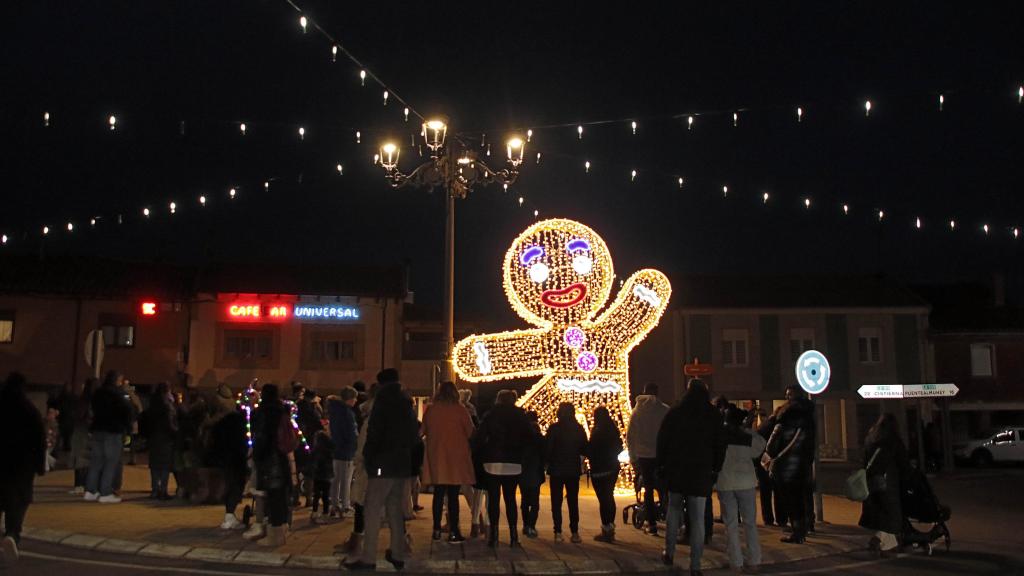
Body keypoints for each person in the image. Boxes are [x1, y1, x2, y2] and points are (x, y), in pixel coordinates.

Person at [344, 369, 419, 571]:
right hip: (402, 463)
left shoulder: (382, 403)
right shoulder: (406, 402)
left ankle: (368, 557)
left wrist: (369, 458)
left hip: (382, 463)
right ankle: (397, 553)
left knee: (372, 508)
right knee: (395, 508)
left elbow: (374, 433)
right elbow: (414, 435)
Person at [657, 378, 725, 575]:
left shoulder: (675, 412)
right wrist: (715, 469)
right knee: (697, 519)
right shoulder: (712, 414)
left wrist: (661, 465)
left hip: (676, 471)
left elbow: (663, 440)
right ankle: (695, 565)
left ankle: (669, 553)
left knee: (673, 511)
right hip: (701, 473)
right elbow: (720, 444)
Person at [0, 373, 47, 567]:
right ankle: (12, 534)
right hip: (21, 465)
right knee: (17, 502)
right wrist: (39, 465)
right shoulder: (29, 410)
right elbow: (39, 440)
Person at [475, 389, 532, 548]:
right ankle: (514, 536)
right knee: (510, 499)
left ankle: (493, 536)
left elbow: (480, 437)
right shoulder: (521, 416)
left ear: (498, 399)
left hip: (492, 461)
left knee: (493, 499)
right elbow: (529, 437)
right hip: (514, 462)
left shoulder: (490, 415)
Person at [421, 381, 475, 543]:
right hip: (456, 456)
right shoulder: (460, 410)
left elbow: (423, 431)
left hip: (436, 455)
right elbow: (470, 431)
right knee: (453, 495)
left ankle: (436, 529)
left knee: (438, 494)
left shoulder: (431, 410)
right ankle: (454, 530)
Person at [763, 385, 815, 544]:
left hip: (786, 466)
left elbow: (772, 443)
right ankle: (804, 527)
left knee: (792, 500)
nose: (787, 397)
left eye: (789, 395)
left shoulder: (784, 418)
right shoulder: (808, 418)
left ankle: (797, 532)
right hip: (803, 464)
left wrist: (769, 456)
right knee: (803, 497)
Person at [717, 406, 765, 573]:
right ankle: (754, 560)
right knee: (750, 523)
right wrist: (747, 430)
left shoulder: (719, 436)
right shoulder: (747, 437)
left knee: (730, 524)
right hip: (746, 482)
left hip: (726, 482)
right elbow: (760, 447)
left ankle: (735, 562)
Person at [859, 413, 910, 555]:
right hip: (888, 482)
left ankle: (882, 541)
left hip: (872, 481)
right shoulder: (892, 440)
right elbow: (903, 463)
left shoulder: (871, 438)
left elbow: (864, 458)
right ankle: (884, 544)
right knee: (892, 515)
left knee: (882, 514)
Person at [252, 384, 294, 547]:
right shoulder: (283, 410)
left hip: (270, 458)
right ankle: (282, 528)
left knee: (273, 496)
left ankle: (275, 535)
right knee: (281, 495)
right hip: (282, 456)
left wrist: (257, 455)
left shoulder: (265, 412)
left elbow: (262, 437)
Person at [626, 383, 670, 535]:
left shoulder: (637, 412)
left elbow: (630, 436)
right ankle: (670, 519)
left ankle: (651, 523)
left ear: (643, 392)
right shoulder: (665, 410)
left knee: (648, 489)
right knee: (665, 489)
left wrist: (633, 457)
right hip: (661, 455)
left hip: (643, 456)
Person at [85, 370, 132, 503]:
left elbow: (93, 409)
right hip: (113, 430)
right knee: (111, 462)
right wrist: (127, 427)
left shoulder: (98, 393)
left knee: (96, 461)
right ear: (117, 380)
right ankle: (105, 492)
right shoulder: (118, 394)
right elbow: (127, 410)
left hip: (98, 428)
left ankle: (90, 490)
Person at [340, 382, 376, 554]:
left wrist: (359, 458)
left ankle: (360, 543)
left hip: (371, 466)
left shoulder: (371, 418)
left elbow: (363, 444)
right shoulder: (384, 415)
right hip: (380, 467)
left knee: (363, 502)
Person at [545, 402, 588, 543]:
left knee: (556, 501)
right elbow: (584, 448)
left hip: (556, 469)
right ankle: (574, 532)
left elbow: (548, 449)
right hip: (572, 469)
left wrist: (548, 462)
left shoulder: (554, 428)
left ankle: (557, 531)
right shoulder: (578, 428)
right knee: (573, 501)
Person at [209, 386, 248, 530]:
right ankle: (229, 516)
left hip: (225, 458)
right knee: (235, 485)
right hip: (235, 458)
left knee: (230, 484)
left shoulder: (221, 422)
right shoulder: (238, 421)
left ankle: (229, 515)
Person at [589, 406, 623, 543]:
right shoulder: (612, 430)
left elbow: (591, 449)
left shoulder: (596, 432)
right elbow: (619, 446)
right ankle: (610, 526)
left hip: (599, 470)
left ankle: (606, 529)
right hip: (612, 468)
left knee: (603, 499)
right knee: (609, 496)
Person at [143, 382, 178, 500]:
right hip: (165, 438)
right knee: (164, 466)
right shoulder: (167, 406)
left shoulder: (152, 404)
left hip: (153, 437)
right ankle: (163, 490)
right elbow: (170, 423)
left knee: (154, 465)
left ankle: (154, 489)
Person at [328, 387, 359, 518]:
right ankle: (345, 505)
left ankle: (334, 503)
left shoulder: (335, 411)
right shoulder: (347, 413)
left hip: (336, 449)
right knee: (346, 480)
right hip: (346, 450)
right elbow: (351, 433)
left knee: (336, 479)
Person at [519, 410, 545, 539]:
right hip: (536, 473)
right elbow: (544, 455)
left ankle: (526, 525)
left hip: (523, 473)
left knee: (525, 500)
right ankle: (531, 525)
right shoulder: (539, 438)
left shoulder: (521, 437)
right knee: (534, 502)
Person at [754, 408, 781, 527]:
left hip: (763, 462)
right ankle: (781, 518)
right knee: (778, 491)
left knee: (765, 492)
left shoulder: (763, 427)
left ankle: (768, 518)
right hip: (774, 461)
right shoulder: (778, 427)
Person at [67, 378, 95, 495]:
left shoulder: (82, 400)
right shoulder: (94, 400)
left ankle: (79, 484)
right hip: (89, 432)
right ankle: (87, 484)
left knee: (79, 460)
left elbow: (78, 415)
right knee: (87, 460)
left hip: (80, 431)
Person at [310, 429, 335, 524]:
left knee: (316, 495)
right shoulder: (330, 449)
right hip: (327, 476)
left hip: (318, 476)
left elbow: (314, 462)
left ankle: (315, 512)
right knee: (325, 495)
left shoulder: (317, 450)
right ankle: (325, 512)